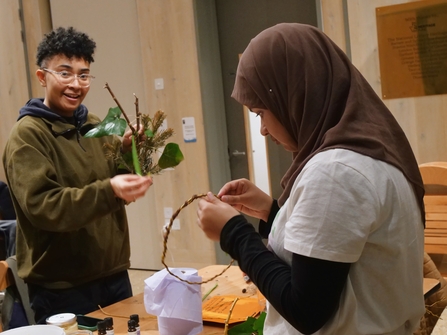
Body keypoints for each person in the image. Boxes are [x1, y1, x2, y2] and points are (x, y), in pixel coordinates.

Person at [197, 23, 426, 334]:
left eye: (261, 112)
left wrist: (234, 234)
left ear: (295, 95)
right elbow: (333, 256)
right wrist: (270, 212)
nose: (263, 129)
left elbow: (305, 308)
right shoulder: (370, 150)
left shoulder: (335, 172)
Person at [2, 27, 152, 324]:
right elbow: (46, 207)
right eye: (65, 73)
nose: (76, 84)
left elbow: (115, 189)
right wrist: (110, 189)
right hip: (62, 287)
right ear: (42, 76)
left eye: (84, 75)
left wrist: (126, 153)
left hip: (114, 273)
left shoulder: (94, 124)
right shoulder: (27, 136)